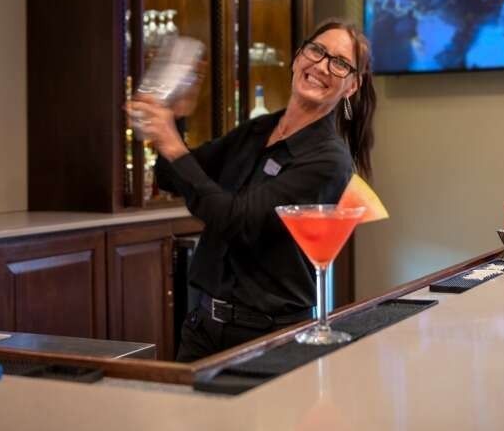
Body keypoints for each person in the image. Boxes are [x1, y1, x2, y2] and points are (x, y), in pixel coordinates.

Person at [126, 20, 377, 362]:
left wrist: (171, 141)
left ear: (352, 86)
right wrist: (175, 115)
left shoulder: (328, 159)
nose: (321, 65)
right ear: (298, 56)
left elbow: (237, 221)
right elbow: (173, 176)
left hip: (269, 340)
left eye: (340, 62)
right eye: (317, 50)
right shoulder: (259, 130)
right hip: (201, 330)